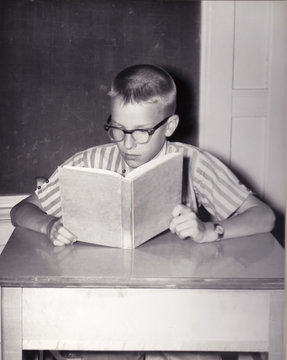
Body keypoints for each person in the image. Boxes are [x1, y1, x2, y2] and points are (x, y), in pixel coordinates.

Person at [11, 64, 275, 360]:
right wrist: (49, 226)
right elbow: (21, 211)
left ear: (170, 126)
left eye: (141, 132)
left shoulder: (193, 162)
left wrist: (209, 230)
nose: (127, 143)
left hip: (176, 302)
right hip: (103, 303)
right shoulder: (89, 161)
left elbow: (263, 216)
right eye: (117, 129)